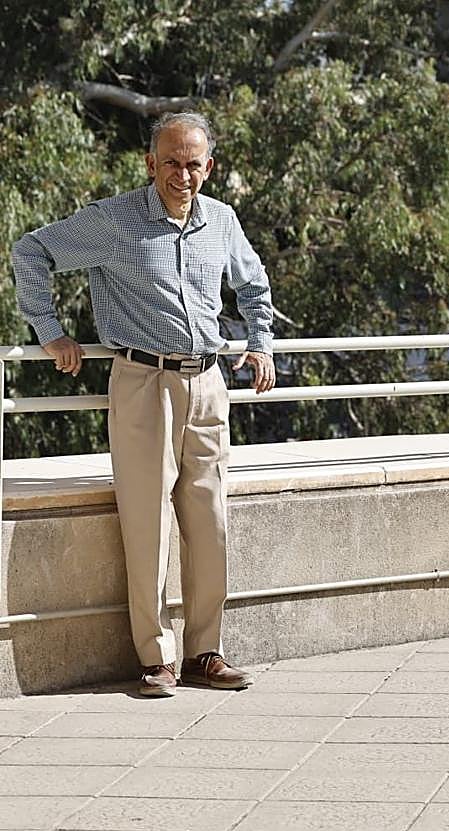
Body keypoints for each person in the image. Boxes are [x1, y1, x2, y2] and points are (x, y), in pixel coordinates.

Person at [10, 112, 275, 697]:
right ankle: (157, 659)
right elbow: (30, 252)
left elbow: (254, 285)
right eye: (172, 163)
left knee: (209, 523)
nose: (183, 174)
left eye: (194, 164)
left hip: (209, 384)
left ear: (210, 167)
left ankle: (207, 651)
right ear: (150, 163)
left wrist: (260, 343)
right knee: (147, 522)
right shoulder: (114, 221)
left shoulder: (222, 221)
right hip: (142, 383)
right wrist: (50, 332)